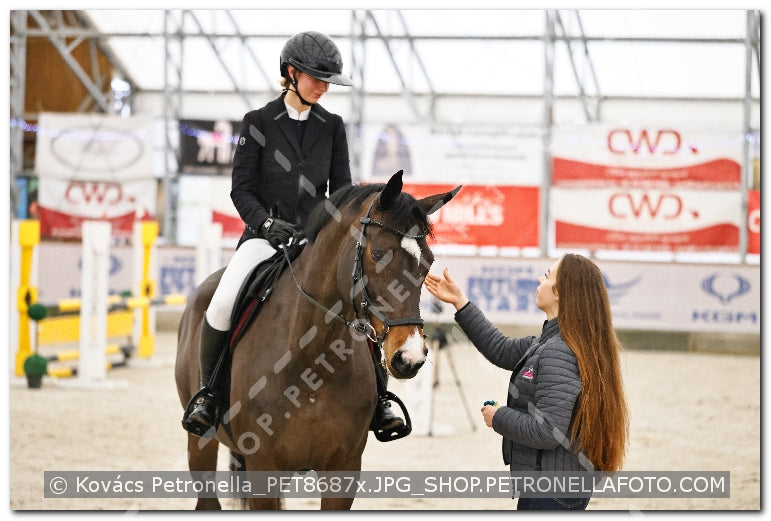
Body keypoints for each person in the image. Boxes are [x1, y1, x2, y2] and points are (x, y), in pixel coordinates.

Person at [182, 30, 406, 438]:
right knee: (220, 302)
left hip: (314, 242)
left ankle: (381, 401)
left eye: (327, 81)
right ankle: (209, 395)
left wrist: (327, 231)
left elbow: (341, 189)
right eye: (316, 79)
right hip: (262, 239)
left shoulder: (332, 127)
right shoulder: (258, 123)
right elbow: (241, 189)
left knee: (362, 303)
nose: (323, 87)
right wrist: (266, 224)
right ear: (291, 73)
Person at [424, 254, 629, 510]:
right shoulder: (548, 343)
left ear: (560, 293)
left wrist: (498, 416)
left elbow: (547, 431)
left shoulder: (559, 350)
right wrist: (460, 302)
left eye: (546, 275)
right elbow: (499, 348)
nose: (539, 279)